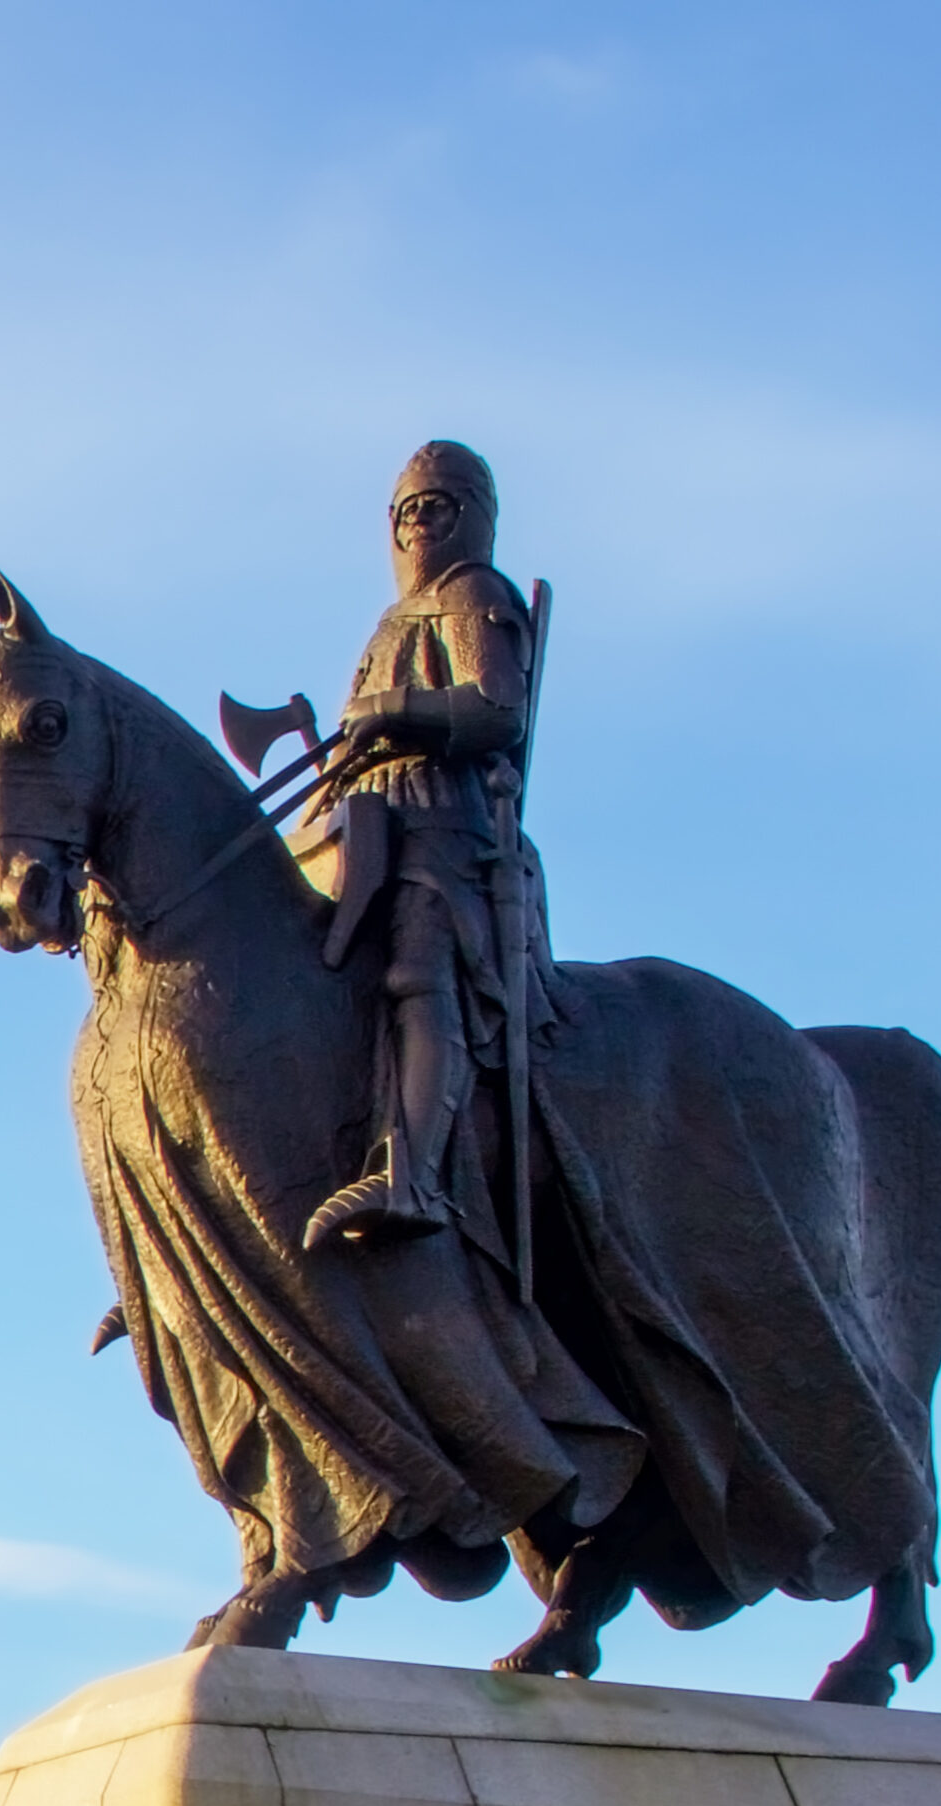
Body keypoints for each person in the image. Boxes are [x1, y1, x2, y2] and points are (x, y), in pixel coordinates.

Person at [301, 441, 540, 1250]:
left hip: (445, 826)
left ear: (469, 514)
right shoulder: (386, 623)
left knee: (416, 966)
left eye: (431, 507)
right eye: (403, 511)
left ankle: (413, 1173)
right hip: (366, 821)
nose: (414, 526)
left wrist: (396, 710)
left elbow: (496, 709)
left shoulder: (473, 593)